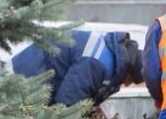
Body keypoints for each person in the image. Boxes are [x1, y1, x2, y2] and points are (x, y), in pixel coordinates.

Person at [10, 29, 144, 106]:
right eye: (131, 80)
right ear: (128, 72)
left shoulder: (109, 57)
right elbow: (67, 103)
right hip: (24, 79)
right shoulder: (97, 63)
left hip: (33, 73)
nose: (127, 84)